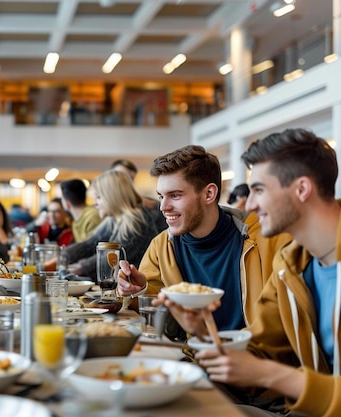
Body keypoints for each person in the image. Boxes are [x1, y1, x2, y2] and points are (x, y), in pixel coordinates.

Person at [193, 129, 341, 416]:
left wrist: (270, 375)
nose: (248, 205)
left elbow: (263, 368)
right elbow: (259, 347)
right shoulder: (291, 265)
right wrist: (200, 329)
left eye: (259, 190)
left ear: (301, 189)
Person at [116, 145, 291, 334]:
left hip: (252, 356)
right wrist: (138, 289)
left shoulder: (266, 238)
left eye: (175, 195)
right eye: (161, 196)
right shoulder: (161, 246)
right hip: (192, 354)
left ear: (209, 194)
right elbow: (162, 321)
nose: (163, 207)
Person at [65, 170, 158, 281]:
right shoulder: (114, 219)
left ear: (112, 197)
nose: (95, 203)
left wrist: (82, 267)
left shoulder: (136, 221)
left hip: (137, 290)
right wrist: (64, 255)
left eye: (98, 197)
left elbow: (114, 257)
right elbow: (91, 243)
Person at [111, 159, 167, 232]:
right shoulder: (101, 206)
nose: (123, 181)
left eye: (128, 178)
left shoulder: (151, 205)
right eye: (118, 176)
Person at [60, 178, 102, 242]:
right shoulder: (76, 221)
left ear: (67, 203)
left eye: (62, 198)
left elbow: (91, 248)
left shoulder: (92, 217)